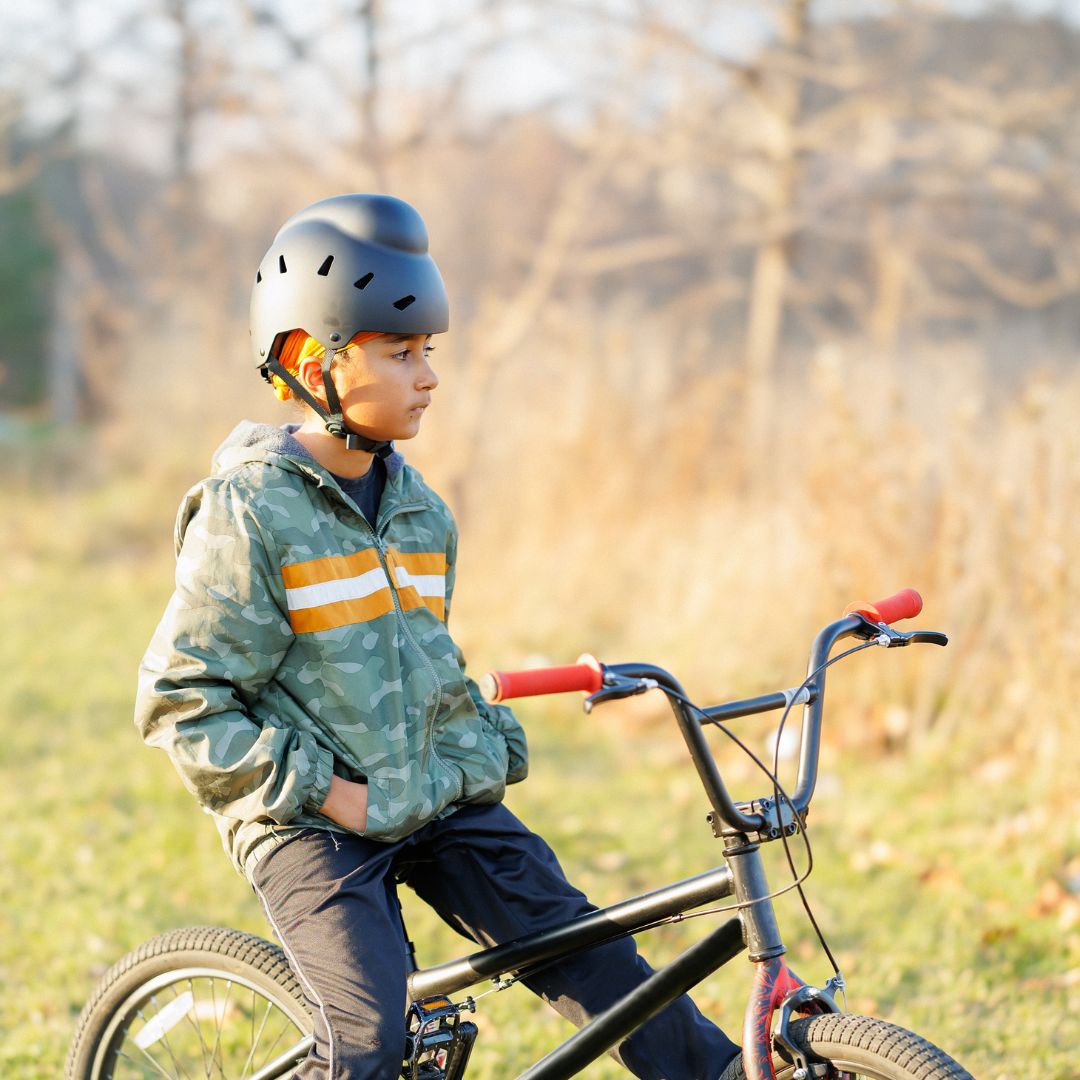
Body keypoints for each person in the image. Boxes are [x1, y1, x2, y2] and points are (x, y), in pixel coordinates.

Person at [135, 193, 742, 1079]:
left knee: (602, 964)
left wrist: (481, 743)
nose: (428, 375)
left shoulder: (422, 511)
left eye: (430, 351)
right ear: (315, 360)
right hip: (312, 821)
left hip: (433, 797)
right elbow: (181, 701)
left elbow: (418, 660)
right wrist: (329, 795)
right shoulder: (250, 510)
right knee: (370, 1045)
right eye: (401, 350)